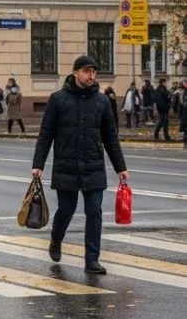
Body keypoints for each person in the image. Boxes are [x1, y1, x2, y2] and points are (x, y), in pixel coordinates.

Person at [31, 55, 128, 275]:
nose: (91, 76)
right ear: (75, 72)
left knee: (94, 211)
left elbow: (110, 137)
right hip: (67, 166)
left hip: (93, 166)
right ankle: (56, 239)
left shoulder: (102, 102)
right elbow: (46, 134)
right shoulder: (58, 100)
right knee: (66, 209)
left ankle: (92, 260)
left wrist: (120, 167)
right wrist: (38, 164)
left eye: (93, 72)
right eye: (86, 71)